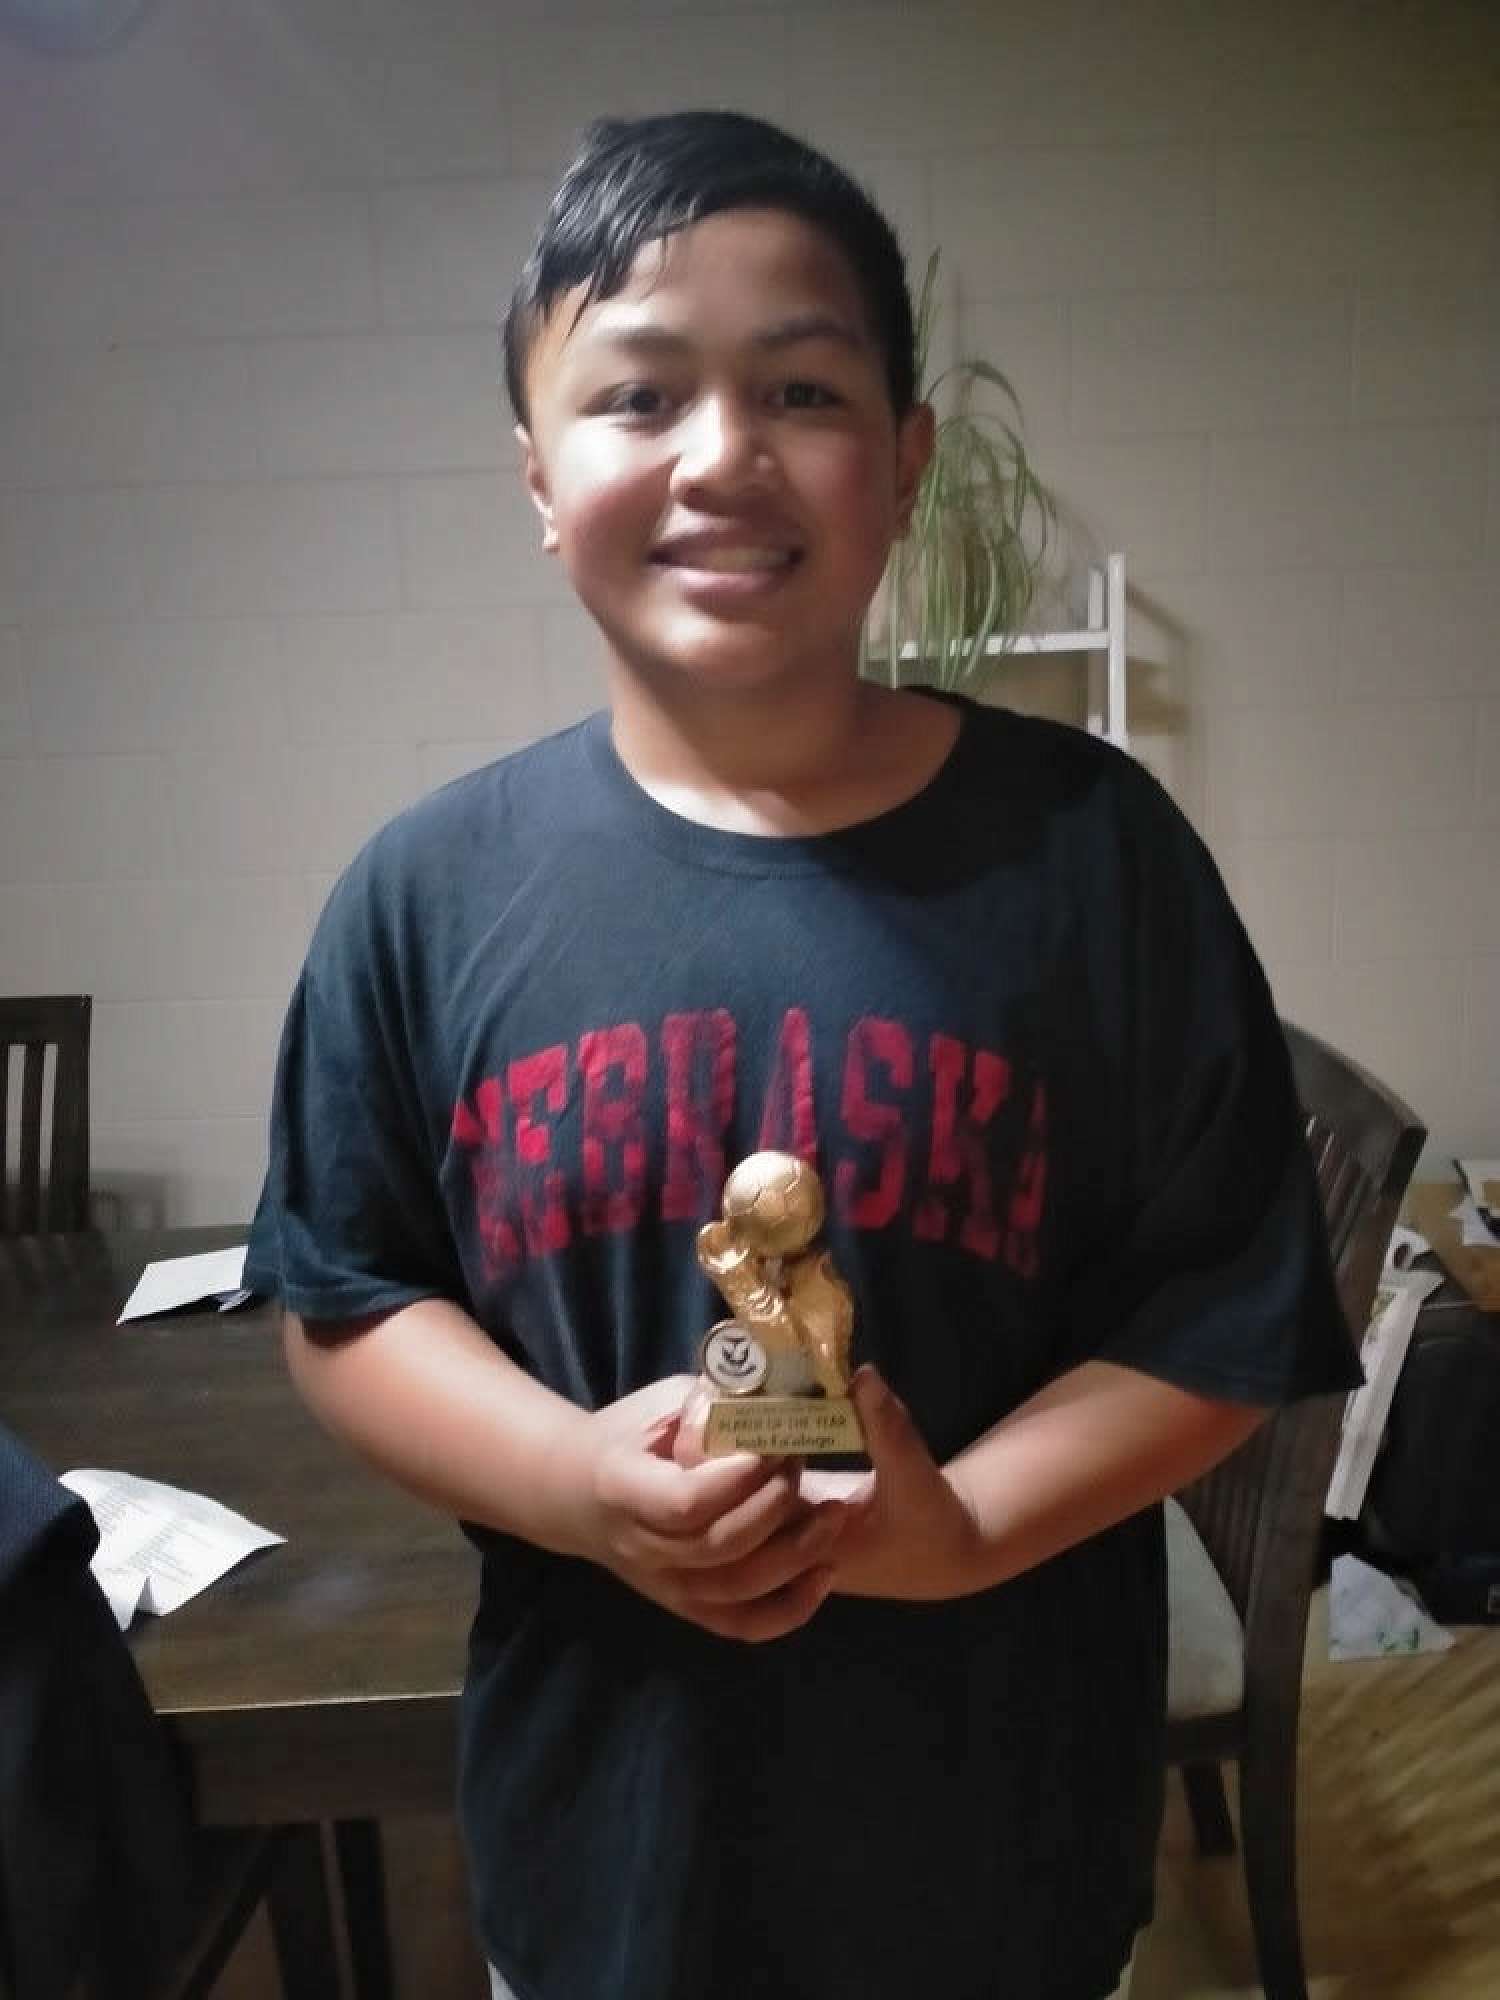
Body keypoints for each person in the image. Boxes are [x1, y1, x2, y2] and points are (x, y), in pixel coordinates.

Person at [244, 109, 1359, 2000]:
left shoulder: (1095, 855)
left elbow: (1221, 1322)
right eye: (637, 395)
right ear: (537, 476)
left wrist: (965, 1527)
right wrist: (569, 1479)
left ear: (904, 463)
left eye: (802, 389)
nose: (720, 455)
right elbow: (346, 1300)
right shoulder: (426, 893)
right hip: (605, 1857)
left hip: (998, 1855)